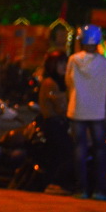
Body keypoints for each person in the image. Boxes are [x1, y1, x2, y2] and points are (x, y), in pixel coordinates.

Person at [65, 24, 106, 200]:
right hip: (97, 111)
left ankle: (81, 189)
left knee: (80, 148)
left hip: (77, 109)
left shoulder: (73, 60)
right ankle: (100, 190)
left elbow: (68, 82)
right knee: (100, 149)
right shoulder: (104, 63)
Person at [37, 50, 72, 193]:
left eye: (66, 63)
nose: (65, 66)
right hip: (53, 124)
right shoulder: (50, 83)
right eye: (61, 63)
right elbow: (60, 107)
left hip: (56, 123)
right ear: (52, 65)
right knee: (67, 152)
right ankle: (56, 183)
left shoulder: (59, 82)